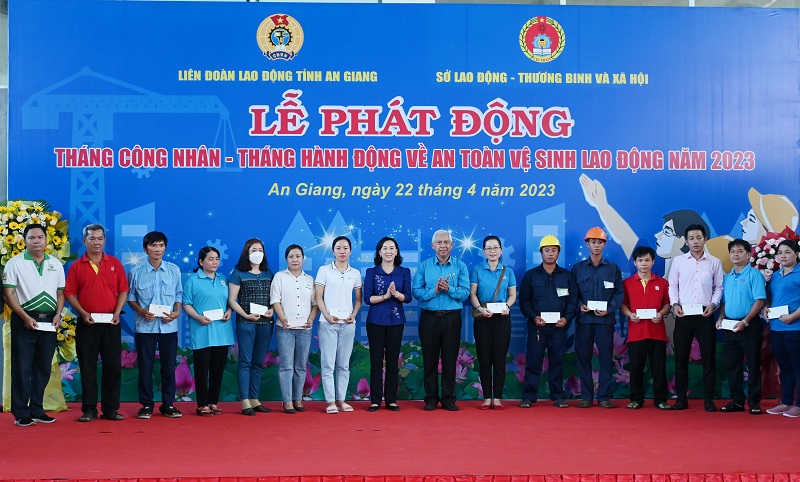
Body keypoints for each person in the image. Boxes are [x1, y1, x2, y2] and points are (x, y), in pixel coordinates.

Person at [64, 224, 128, 422]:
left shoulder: (115, 263)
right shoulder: (77, 266)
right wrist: (82, 313)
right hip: (87, 323)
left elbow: (123, 290)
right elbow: (69, 293)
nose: (97, 242)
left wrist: (117, 313)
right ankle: (89, 410)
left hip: (111, 323)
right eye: (92, 238)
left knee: (113, 368)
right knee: (88, 367)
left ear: (105, 240)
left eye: (100, 238)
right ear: (84, 241)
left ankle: (110, 409)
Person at [3, 224, 65, 426]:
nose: (36, 241)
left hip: (49, 321)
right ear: (25, 241)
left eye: (40, 237)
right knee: (22, 367)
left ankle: (37, 409)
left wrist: (58, 314)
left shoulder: (55, 263)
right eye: (32, 238)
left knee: (43, 367)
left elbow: (60, 293)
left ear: (46, 240)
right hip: (24, 320)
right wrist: (24, 317)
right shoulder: (15, 263)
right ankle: (21, 412)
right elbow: (8, 294)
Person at [127, 231, 183, 419]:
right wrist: (142, 311)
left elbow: (179, 294)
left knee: (168, 366)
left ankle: (168, 404)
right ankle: (146, 405)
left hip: (168, 327)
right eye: (153, 245)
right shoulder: (136, 272)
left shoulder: (174, 270)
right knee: (145, 367)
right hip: (145, 327)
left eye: (161, 245)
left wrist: (176, 312)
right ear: (146, 249)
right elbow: (130, 298)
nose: (157, 249)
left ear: (165, 248)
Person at [412, 229, 470, 411]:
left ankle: (448, 398)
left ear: (452, 245)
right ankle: (431, 398)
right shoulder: (424, 266)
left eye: (446, 242)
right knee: (429, 359)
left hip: (452, 318)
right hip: (429, 318)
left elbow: (465, 293)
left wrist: (449, 289)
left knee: (450, 359)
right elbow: (416, 292)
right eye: (439, 242)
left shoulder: (460, 266)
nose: (443, 246)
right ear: (433, 246)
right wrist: (434, 291)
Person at [668, 223, 724, 411]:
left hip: (705, 314)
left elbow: (719, 287)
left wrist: (713, 305)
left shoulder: (714, 262)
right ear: (686, 241)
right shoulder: (678, 261)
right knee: (681, 358)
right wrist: (675, 304)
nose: (695, 241)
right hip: (683, 314)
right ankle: (681, 399)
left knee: (708, 358)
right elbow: (672, 285)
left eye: (699, 237)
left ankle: (709, 399)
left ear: (705, 239)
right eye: (691, 238)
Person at [518, 234, 578, 408]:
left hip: (559, 328)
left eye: (553, 250)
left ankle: (557, 396)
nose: (550, 253)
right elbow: (524, 301)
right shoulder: (531, 276)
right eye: (546, 250)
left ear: (558, 253)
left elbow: (572, 301)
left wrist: (566, 318)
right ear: (541, 253)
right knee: (533, 361)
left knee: (557, 361)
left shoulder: (567, 276)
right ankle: (529, 397)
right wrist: (533, 317)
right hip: (537, 327)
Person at [572, 226, 624, 409]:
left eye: (600, 242)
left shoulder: (613, 269)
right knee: (583, 359)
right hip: (584, 321)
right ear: (587, 244)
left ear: (604, 245)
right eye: (593, 242)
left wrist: (609, 309)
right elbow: (573, 294)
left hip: (605, 322)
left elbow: (619, 294)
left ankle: (604, 397)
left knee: (606, 359)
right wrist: (580, 304)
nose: (596, 245)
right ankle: (586, 397)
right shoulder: (578, 269)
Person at [182, 247, 234, 416]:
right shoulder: (193, 280)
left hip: (222, 332)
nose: (214, 262)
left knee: (218, 370)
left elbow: (230, 301)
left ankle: (213, 402)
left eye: (217, 258)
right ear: (201, 262)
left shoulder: (223, 279)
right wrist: (198, 317)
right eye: (210, 259)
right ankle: (202, 404)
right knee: (202, 370)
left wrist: (229, 311)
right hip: (202, 332)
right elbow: (186, 303)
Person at [716, 239, 765, 415]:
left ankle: (754, 402)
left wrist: (745, 321)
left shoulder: (754, 275)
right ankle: (737, 400)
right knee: (732, 364)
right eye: (733, 251)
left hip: (749, 325)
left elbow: (759, 300)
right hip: (730, 326)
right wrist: (721, 318)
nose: (735, 254)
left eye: (740, 251)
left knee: (753, 364)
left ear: (748, 254)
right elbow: (724, 303)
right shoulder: (727, 277)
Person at [363, 237, 412, 412]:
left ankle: (391, 400)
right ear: (379, 252)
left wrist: (396, 294)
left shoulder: (404, 272)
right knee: (376, 361)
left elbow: (408, 297)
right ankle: (375, 400)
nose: (388, 251)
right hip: (375, 321)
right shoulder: (372, 272)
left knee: (392, 361)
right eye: (385, 248)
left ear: (396, 251)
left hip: (396, 322)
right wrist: (384, 296)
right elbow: (367, 298)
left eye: (392, 248)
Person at [315, 235, 363, 414]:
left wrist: (353, 314)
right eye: (338, 248)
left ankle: (341, 400)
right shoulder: (324, 270)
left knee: (344, 365)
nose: (342, 251)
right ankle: (330, 402)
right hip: (328, 323)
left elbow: (358, 300)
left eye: (345, 248)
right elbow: (318, 296)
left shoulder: (355, 273)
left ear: (350, 251)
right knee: (328, 364)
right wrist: (326, 315)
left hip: (348, 324)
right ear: (333, 251)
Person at [620, 246, 672, 410]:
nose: (644, 263)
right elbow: (623, 305)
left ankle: (661, 399)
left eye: (647, 260)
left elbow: (667, 304)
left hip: (657, 333)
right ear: (635, 263)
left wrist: (661, 314)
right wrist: (630, 315)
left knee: (659, 368)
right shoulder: (627, 283)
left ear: (653, 262)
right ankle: (636, 399)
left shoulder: (662, 283)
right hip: (636, 333)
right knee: (636, 368)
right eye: (640, 260)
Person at [227, 238, 275, 416]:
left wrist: (271, 310)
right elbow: (232, 300)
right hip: (246, 322)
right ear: (247, 253)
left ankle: (255, 399)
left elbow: (275, 298)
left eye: (260, 250)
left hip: (266, 323)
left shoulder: (268, 273)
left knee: (258, 362)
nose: (258, 253)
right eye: (254, 250)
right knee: (245, 361)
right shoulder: (238, 273)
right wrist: (245, 315)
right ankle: (245, 401)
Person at [469, 235, 516, 410]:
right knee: (484, 359)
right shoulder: (477, 270)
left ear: (501, 250)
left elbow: (512, 295)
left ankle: (497, 398)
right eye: (488, 248)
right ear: (483, 251)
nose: (492, 251)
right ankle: (487, 398)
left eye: (495, 247)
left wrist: (507, 306)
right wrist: (479, 309)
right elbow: (472, 294)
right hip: (483, 318)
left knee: (499, 359)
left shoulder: (508, 271)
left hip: (502, 319)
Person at [271, 244, 318, 414]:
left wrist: (311, 319)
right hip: (285, 329)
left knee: (301, 365)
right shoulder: (279, 277)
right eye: (291, 256)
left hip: (304, 329)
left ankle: (298, 399)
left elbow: (315, 303)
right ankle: (287, 401)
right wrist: (283, 319)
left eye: (298, 256)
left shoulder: (309, 280)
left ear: (303, 259)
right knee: (286, 365)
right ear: (286, 259)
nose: (295, 260)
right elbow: (275, 300)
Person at [763, 239, 800, 417]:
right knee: (784, 367)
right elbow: (770, 297)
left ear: (797, 254)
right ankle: (786, 402)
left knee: (797, 366)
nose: (783, 256)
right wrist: (766, 308)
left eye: (787, 252)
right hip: (776, 328)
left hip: (795, 328)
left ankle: (798, 405)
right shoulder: (776, 275)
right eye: (780, 253)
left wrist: (793, 317)